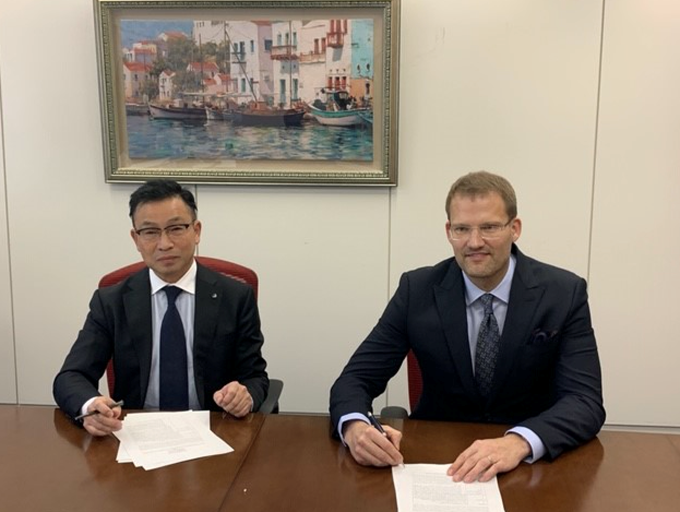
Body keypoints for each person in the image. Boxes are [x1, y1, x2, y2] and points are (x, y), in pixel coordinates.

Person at [329, 171, 605, 482]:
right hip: (438, 464)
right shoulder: (417, 290)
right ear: (449, 231)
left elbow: (584, 401)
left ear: (515, 228)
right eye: (462, 229)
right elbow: (355, 379)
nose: (475, 243)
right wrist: (355, 427)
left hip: (529, 468)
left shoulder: (562, 293)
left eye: (489, 227)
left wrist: (520, 441)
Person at [54, 179, 269, 436]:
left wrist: (245, 396)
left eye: (176, 228)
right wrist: (90, 405)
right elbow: (71, 377)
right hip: (136, 433)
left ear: (196, 231)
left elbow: (255, 377)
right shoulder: (111, 301)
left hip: (214, 431)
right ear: (136, 239)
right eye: (150, 232)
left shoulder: (235, 296)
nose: (164, 243)